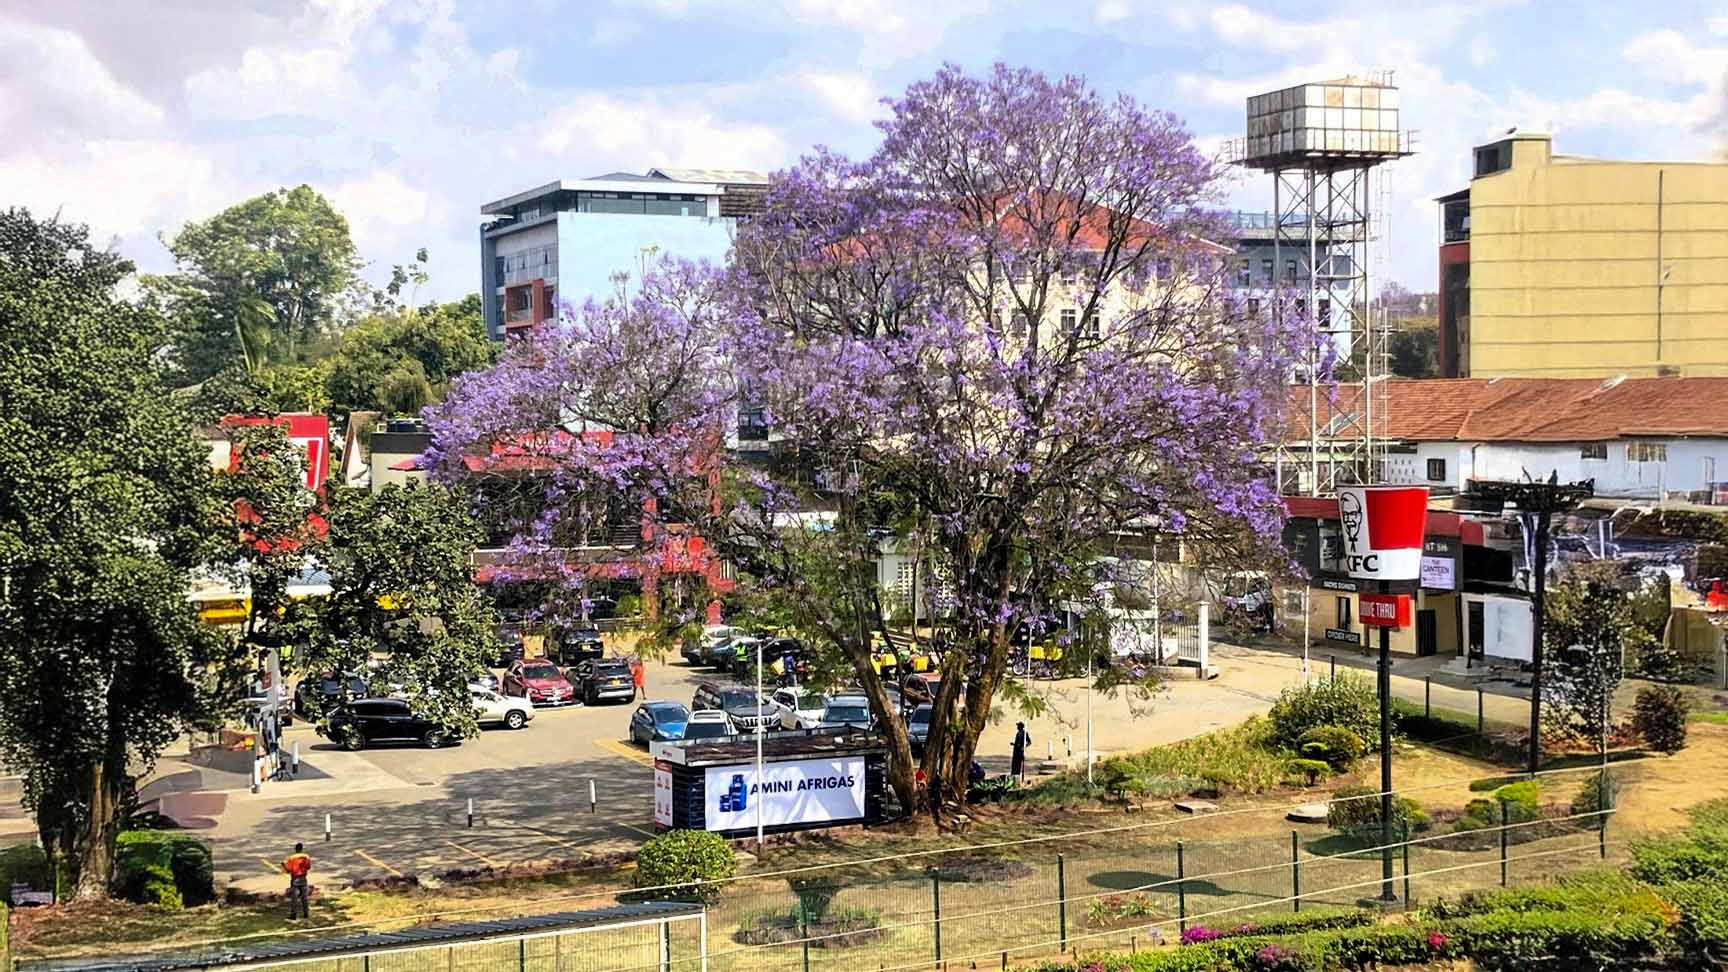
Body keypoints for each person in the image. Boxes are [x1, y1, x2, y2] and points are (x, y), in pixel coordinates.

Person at [282, 841, 312, 920]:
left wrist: (284, 866)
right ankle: (306, 913)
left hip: (295, 879)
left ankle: (293, 915)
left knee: (294, 898)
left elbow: (288, 870)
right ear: (302, 849)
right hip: (303, 878)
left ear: (295, 849)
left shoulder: (291, 858)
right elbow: (308, 867)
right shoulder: (306, 857)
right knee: (304, 897)